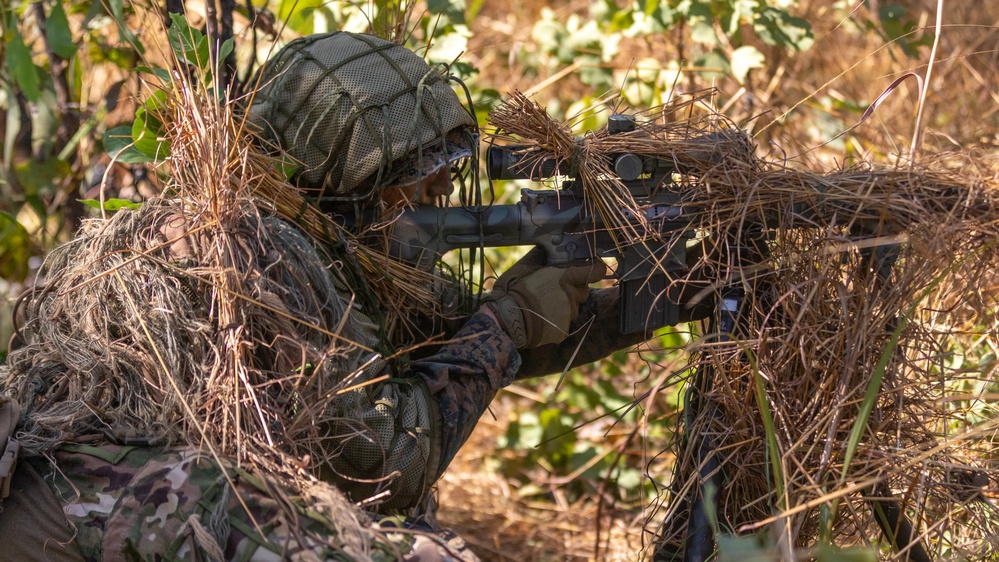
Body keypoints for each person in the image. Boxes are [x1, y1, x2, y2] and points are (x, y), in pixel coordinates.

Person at [0, 31, 698, 561]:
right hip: (72, 518)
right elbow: (384, 470)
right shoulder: (255, 257)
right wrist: (507, 322)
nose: (436, 195)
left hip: (130, 499)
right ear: (339, 182)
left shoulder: (317, 241)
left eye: (444, 170)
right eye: (413, 175)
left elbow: (450, 351)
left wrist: (677, 288)